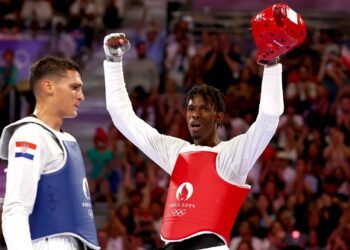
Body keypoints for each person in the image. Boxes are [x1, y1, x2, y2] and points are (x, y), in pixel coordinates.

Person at [103, 31, 283, 249]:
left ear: (218, 116)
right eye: (190, 109)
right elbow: (123, 118)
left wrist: (272, 64)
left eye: (204, 109)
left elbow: (268, 119)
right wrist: (113, 61)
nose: (195, 115)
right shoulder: (176, 152)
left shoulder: (232, 154)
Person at [0, 56, 99, 249]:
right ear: (49, 86)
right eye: (74, 87)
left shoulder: (68, 141)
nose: (81, 96)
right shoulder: (29, 135)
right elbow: (15, 209)